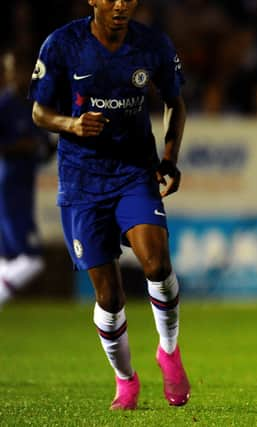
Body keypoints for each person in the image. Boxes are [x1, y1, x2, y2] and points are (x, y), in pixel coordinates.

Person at [29, 0, 189, 410]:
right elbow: (39, 111)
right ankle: (126, 380)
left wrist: (169, 157)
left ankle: (168, 351)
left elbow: (175, 102)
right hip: (82, 183)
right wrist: (72, 124)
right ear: (93, 1)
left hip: (135, 171)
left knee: (156, 263)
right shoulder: (62, 45)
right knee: (110, 298)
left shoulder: (152, 44)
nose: (121, 5)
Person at [0, 50, 53, 309]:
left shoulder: (34, 105)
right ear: (8, 72)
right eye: (14, 68)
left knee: (8, 259)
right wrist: (25, 145)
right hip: (7, 187)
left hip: (24, 186)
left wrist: (50, 146)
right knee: (31, 260)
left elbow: (41, 150)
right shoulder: (4, 106)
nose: (21, 74)